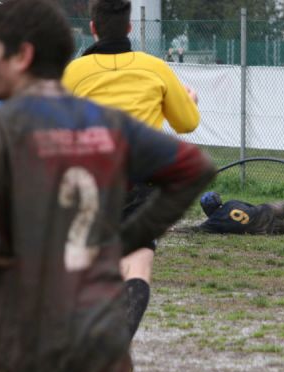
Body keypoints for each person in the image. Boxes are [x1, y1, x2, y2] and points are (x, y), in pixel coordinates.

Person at [0, 1, 215, 372]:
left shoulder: (12, 131)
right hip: (133, 190)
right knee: (131, 273)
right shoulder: (114, 124)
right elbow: (193, 160)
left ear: (24, 57)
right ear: (131, 25)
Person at [63, 0, 200, 339]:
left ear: (93, 28)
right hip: (142, 183)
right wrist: (191, 99)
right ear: (130, 28)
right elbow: (187, 124)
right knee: (136, 268)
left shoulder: (72, 73)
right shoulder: (156, 68)